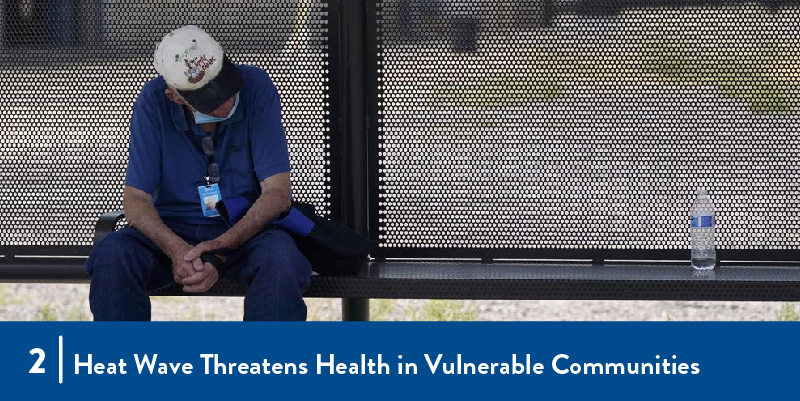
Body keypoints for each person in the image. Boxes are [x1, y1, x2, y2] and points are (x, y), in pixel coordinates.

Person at [85, 25, 312, 321]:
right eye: (212, 98)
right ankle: (120, 362)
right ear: (176, 97)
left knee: (281, 258)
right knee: (113, 254)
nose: (227, 100)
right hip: (172, 231)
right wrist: (176, 249)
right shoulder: (153, 101)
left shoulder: (256, 86)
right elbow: (136, 199)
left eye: (226, 84)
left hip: (244, 230)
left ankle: (267, 363)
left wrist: (221, 247)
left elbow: (277, 193)